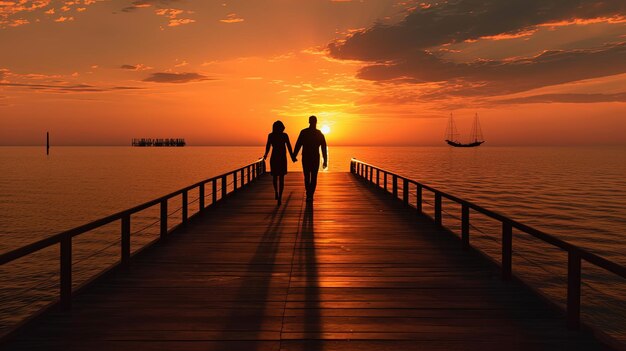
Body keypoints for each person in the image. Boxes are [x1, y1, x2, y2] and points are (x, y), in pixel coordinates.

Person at [293, 115, 327, 202]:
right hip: (314, 158)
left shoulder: (304, 132)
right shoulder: (319, 134)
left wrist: (294, 155)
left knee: (307, 177)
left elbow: (298, 145)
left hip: (307, 158)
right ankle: (310, 194)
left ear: (309, 122)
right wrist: (325, 161)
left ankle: (309, 194)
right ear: (316, 122)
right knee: (313, 177)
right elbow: (323, 149)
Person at [263, 121, 295, 205]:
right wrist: (292, 157)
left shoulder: (271, 135)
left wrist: (265, 155)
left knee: (275, 177)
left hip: (274, 157)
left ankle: (277, 193)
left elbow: (268, 146)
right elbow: (289, 146)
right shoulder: (284, 135)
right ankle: (279, 195)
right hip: (281, 158)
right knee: (281, 178)